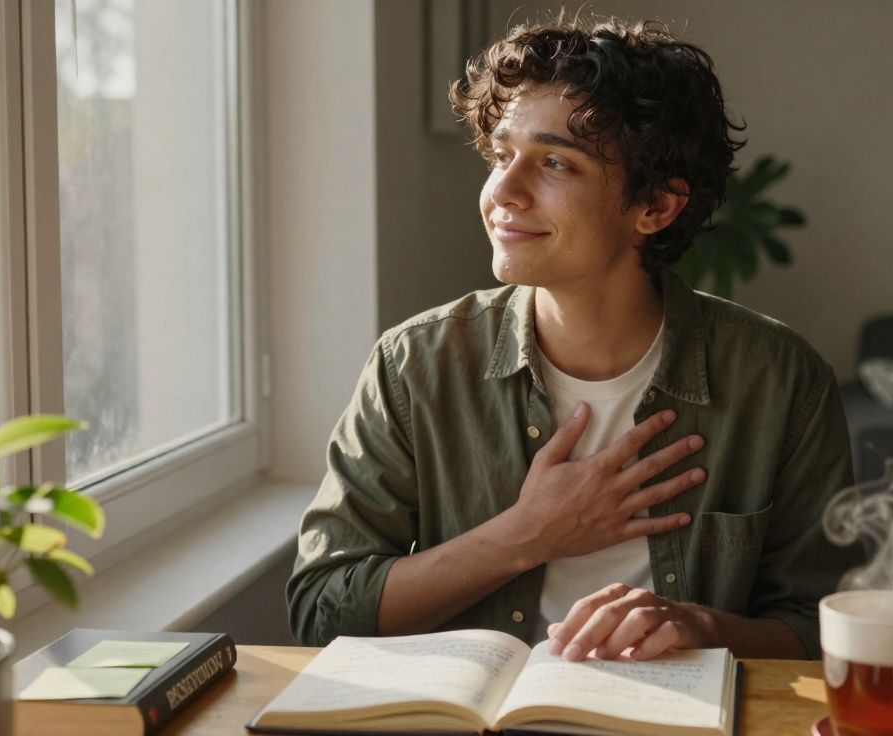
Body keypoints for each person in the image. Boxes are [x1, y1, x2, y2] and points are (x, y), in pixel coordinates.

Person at [286, 15, 861, 662]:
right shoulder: (414, 365)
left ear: (657, 207)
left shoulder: (780, 381)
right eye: (503, 155)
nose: (502, 191)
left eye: (555, 162)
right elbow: (322, 610)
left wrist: (701, 628)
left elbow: (826, 629)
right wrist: (525, 536)